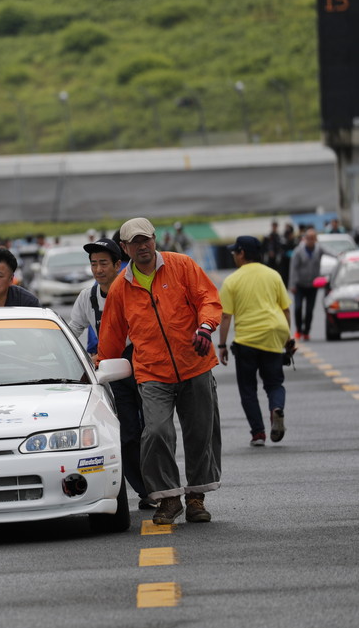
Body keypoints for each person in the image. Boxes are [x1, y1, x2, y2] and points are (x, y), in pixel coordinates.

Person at [97, 218, 223, 526]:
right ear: (124, 248)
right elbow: (111, 335)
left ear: (155, 240)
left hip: (195, 365)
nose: (142, 246)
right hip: (153, 373)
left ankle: (196, 498)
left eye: (146, 240)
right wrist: (100, 371)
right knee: (154, 432)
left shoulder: (182, 266)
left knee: (200, 434)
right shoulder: (120, 289)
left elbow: (209, 299)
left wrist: (205, 328)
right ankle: (168, 497)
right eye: (134, 242)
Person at [66, 238, 153, 510]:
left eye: (104, 263)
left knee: (154, 429)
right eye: (93, 264)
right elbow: (72, 331)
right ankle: (145, 490)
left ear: (119, 264)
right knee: (126, 433)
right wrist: (80, 361)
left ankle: (162, 484)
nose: (98, 269)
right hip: (110, 369)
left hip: (142, 361)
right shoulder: (87, 297)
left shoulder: (133, 290)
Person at [217, 236, 292, 446]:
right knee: (275, 383)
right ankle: (276, 409)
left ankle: (258, 433)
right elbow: (286, 310)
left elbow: (225, 317)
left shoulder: (232, 280)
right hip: (274, 334)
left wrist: (222, 345)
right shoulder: (274, 275)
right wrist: (288, 339)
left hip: (247, 340)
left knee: (248, 389)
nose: (233, 256)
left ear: (241, 253)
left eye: (234, 252)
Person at [288, 228, 327, 341]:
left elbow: (330, 252)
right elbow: (293, 269)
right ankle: (299, 330)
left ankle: (306, 331)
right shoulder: (298, 251)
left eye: (312, 239)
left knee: (310, 310)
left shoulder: (319, 250)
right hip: (299, 285)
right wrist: (292, 285)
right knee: (298, 307)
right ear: (305, 239)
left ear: (316, 240)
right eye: (308, 238)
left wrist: (341, 255)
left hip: (312, 285)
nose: (310, 241)